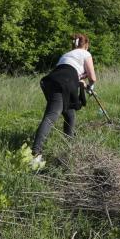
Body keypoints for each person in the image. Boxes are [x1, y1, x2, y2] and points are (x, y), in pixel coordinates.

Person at [31, 34, 97, 167]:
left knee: (69, 114)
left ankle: (69, 149)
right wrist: (91, 87)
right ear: (86, 45)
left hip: (50, 82)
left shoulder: (66, 55)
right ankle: (35, 155)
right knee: (51, 116)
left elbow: (70, 74)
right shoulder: (85, 53)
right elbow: (92, 77)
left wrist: (83, 84)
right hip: (63, 84)